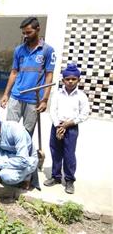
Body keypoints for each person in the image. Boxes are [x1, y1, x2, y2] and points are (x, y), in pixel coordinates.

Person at [0, 16, 56, 136]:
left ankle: (23, 155)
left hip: (34, 99)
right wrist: (6, 94)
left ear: (38, 29)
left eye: (29, 32)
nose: (26, 35)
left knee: (26, 135)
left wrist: (45, 100)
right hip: (16, 96)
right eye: (24, 33)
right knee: (9, 131)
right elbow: (14, 72)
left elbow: (49, 76)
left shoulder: (48, 50)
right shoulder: (19, 50)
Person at [44, 63, 89, 194]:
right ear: (63, 80)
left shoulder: (81, 96)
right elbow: (53, 110)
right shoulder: (58, 94)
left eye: (73, 79)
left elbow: (84, 114)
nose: (70, 81)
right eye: (67, 79)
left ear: (78, 80)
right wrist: (58, 125)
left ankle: (69, 180)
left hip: (71, 128)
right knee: (55, 151)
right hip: (57, 126)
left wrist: (68, 124)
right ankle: (56, 176)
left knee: (69, 154)